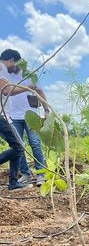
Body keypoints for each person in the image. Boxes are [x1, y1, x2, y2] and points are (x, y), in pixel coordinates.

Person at [0, 49, 40, 190]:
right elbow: (5, 90)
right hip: (2, 116)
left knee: (17, 146)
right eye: (15, 63)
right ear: (11, 60)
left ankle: (13, 183)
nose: (14, 66)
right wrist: (27, 87)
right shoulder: (1, 67)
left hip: (6, 116)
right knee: (19, 146)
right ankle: (13, 182)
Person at [9, 68, 48, 186]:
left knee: (35, 143)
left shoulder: (30, 75)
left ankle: (41, 174)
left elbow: (40, 92)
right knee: (18, 146)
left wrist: (46, 109)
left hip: (31, 115)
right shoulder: (6, 78)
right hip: (14, 117)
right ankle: (25, 174)